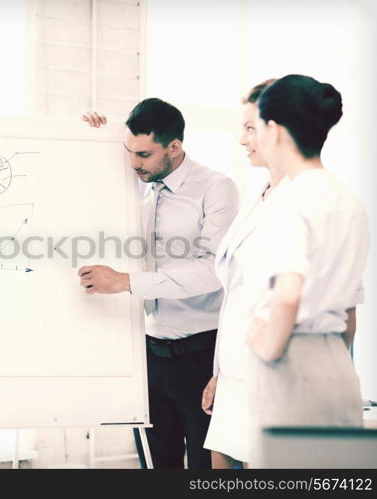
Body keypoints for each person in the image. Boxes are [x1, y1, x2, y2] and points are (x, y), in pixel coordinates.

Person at [80, 98, 239, 468]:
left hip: (200, 354)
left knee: (205, 468)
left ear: (174, 147)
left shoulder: (216, 188)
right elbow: (85, 185)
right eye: (129, 152)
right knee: (156, 466)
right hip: (147, 354)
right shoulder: (133, 183)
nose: (134, 163)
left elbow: (211, 271)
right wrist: (90, 132)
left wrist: (125, 282)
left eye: (144, 154)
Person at [244, 75, 368, 467]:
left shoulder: (289, 202)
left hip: (292, 364)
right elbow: (350, 313)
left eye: (258, 126)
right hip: (339, 366)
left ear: (274, 131)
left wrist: (267, 345)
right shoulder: (348, 199)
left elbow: (288, 294)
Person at [200, 80, 285, 469]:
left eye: (251, 128)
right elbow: (236, 295)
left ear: (277, 130)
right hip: (235, 374)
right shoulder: (259, 195)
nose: (241, 139)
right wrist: (221, 372)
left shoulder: (304, 200)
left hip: (272, 380)